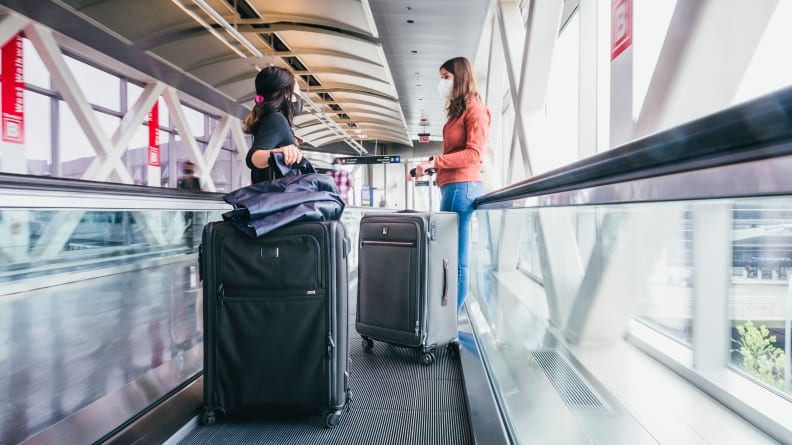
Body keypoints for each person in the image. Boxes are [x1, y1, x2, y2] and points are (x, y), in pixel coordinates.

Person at [412, 56, 492, 311]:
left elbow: (474, 154)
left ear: (461, 77)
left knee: (456, 259)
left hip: (463, 187)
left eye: (446, 77)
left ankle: (450, 320)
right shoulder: (460, 110)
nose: (442, 83)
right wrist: (432, 167)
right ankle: (446, 315)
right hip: (452, 187)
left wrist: (433, 162)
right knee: (448, 255)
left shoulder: (476, 109)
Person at [243, 65, 304, 183]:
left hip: (270, 198)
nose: (298, 100)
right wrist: (278, 152)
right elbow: (253, 157)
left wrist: (288, 142)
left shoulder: (270, 118)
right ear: (286, 93)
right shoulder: (276, 119)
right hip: (278, 197)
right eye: (296, 94)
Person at [177, 161, 201, 250]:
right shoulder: (181, 180)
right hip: (185, 208)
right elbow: (178, 192)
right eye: (186, 167)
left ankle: (192, 246)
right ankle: (188, 245)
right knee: (187, 225)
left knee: (193, 226)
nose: (187, 169)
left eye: (189, 167)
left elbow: (199, 192)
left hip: (194, 207)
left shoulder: (196, 180)